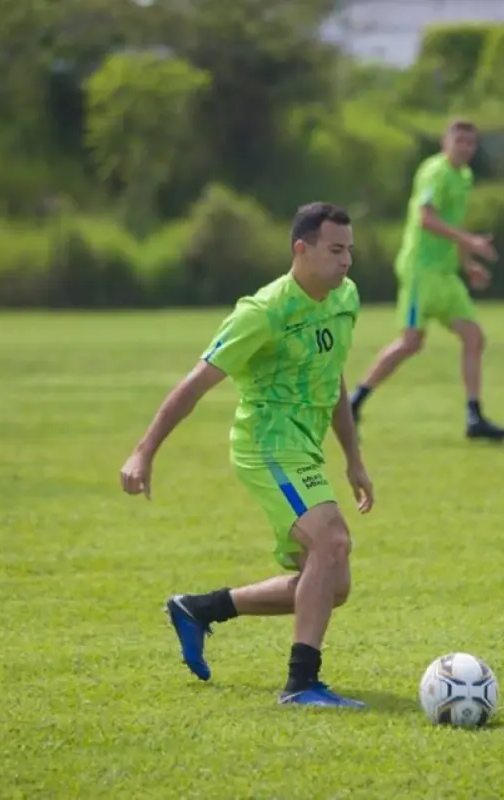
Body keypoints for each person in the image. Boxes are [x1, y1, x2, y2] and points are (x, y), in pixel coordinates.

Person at [119, 202, 374, 709]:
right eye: (335, 250)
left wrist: (353, 457)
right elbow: (196, 383)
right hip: (267, 445)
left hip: (305, 446)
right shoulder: (261, 313)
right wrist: (144, 451)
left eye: (350, 250)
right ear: (301, 250)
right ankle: (302, 683)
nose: (347, 261)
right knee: (332, 540)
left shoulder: (344, 298)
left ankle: (200, 609)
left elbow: (335, 378)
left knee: (331, 584)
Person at [348, 118, 504, 442]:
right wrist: (471, 242)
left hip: (445, 273)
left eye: (470, 143)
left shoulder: (464, 176)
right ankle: (354, 402)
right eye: (459, 141)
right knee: (411, 342)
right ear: (445, 143)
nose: (465, 148)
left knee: (474, 337)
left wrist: (467, 262)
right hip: (420, 271)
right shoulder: (435, 172)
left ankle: (474, 416)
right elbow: (427, 219)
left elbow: (451, 222)